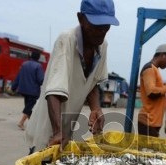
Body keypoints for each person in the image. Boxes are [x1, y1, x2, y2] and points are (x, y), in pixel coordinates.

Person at [25, 0, 119, 153]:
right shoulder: (67, 40)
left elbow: (93, 83)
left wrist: (96, 108)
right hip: (49, 130)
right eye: (97, 25)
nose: (102, 31)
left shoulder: (102, 45)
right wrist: (57, 131)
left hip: (66, 130)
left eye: (106, 25)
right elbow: (54, 92)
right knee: (39, 162)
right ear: (81, 19)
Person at [137, 44, 166, 137]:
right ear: (163, 55)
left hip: (152, 122)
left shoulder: (154, 69)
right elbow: (151, 92)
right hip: (148, 121)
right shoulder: (150, 69)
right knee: (148, 150)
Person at [11, 51, 44, 130]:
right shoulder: (38, 66)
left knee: (28, 106)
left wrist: (14, 87)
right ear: (38, 58)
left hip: (23, 89)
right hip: (33, 91)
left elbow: (18, 76)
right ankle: (21, 122)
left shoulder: (24, 64)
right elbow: (40, 80)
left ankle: (32, 125)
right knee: (29, 107)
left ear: (31, 56)